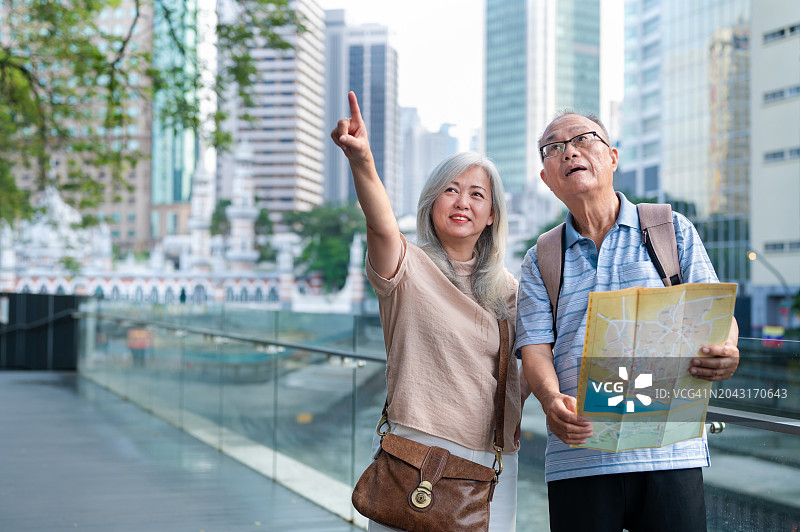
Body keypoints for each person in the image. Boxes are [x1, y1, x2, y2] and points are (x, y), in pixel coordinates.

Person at [515, 111, 740, 532]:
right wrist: (548, 399)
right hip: (578, 457)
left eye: (583, 139)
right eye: (554, 148)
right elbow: (534, 347)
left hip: (670, 450)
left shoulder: (670, 230)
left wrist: (726, 350)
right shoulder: (540, 257)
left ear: (613, 157)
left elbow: (717, 314)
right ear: (546, 178)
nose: (569, 152)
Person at [332, 91, 528, 532]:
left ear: (493, 214)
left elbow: (524, 374)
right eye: (451, 190)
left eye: (477, 194)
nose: (463, 202)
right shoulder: (406, 267)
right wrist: (362, 161)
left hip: (491, 459)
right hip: (414, 451)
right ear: (431, 202)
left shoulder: (509, 291)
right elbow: (379, 222)